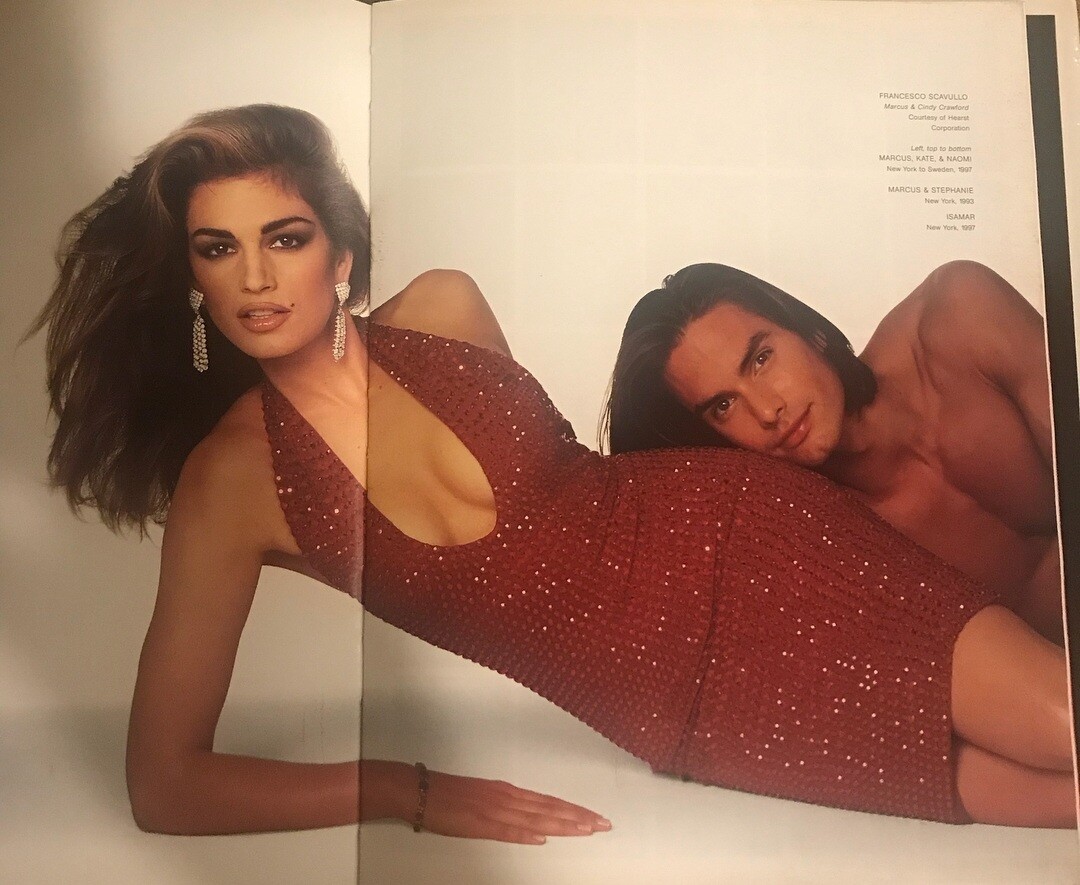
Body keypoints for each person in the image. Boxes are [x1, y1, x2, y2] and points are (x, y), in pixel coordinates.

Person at [34, 107, 1074, 838]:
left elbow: (586, 507)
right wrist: (407, 791)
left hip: (754, 540)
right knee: (1059, 800)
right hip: (681, 712)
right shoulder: (229, 487)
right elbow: (164, 786)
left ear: (337, 253)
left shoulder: (443, 308)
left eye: (286, 237)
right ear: (192, 278)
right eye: (219, 248)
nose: (258, 277)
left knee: (1065, 728)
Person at [606, 263, 1063, 645]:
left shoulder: (957, 316)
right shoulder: (818, 546)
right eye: (723, 406)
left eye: (761, 359)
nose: (766, 410)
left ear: (810, 333)